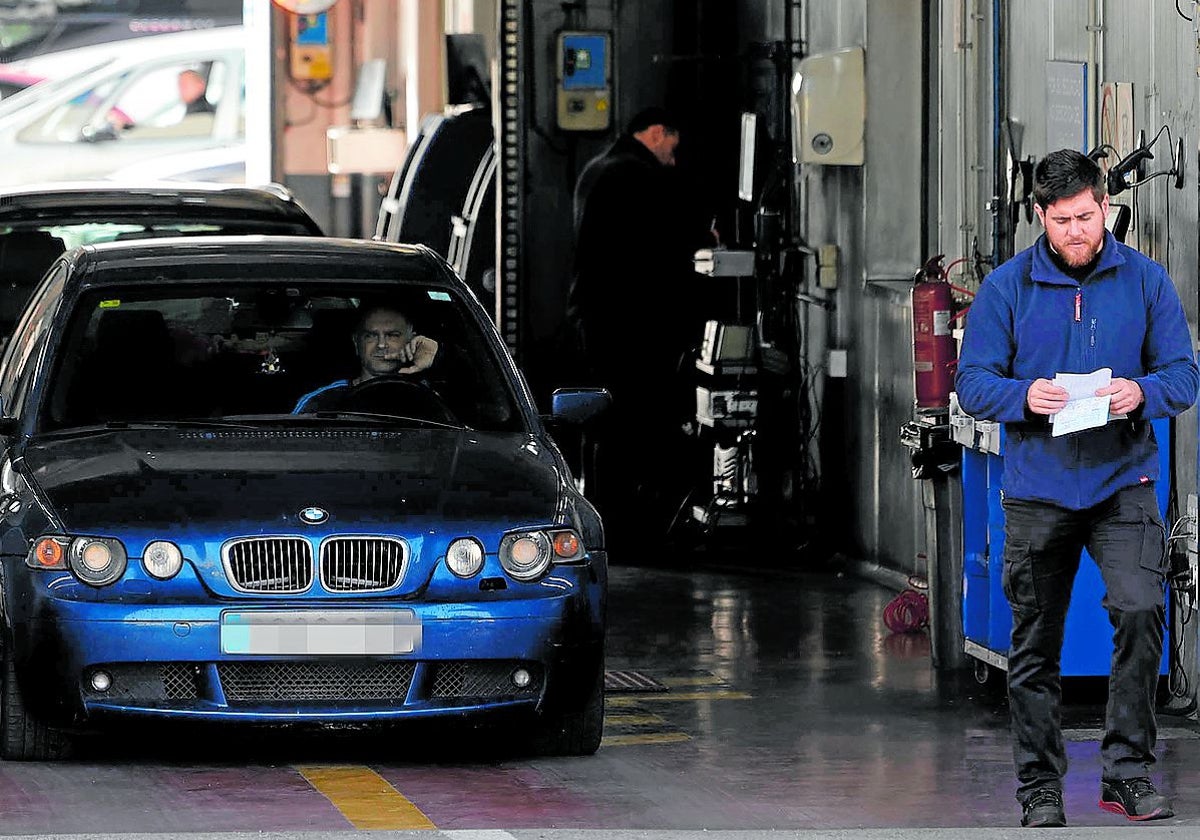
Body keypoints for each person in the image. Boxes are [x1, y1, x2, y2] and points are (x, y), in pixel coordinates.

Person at [955, 148, 1199, 827]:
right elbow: (972, 384)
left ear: (1104, 208)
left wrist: (1139, 391)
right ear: (1040, 216)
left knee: (1141, 612)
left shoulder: (1146, 282)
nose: (1076, 232)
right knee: (1033, 642)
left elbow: (1183, 376)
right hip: (1039, 488)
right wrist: (1025, 396)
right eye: (1061, 221)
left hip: (1124, 481)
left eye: (1087, 218)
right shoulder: (1006, 289)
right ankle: (1038, 787)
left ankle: (1126, 772)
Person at [565, 106, 715, 549]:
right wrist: (706, 242)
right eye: (673, 141)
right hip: (629, 326)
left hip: (595, 321)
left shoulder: (597, 169)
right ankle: (629, 530)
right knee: (635, 425)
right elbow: (662, 245)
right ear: (654, 132)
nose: (676, 153)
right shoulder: (634, 176)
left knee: (605, 423)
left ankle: (604, 524)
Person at [293, 303, 439, 413]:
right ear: (356, 343)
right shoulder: (321, 402)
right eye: (371, 336)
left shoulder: (432, 397)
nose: (381, 345)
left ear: (411, 340)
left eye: (392, 335)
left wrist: (440, 358)